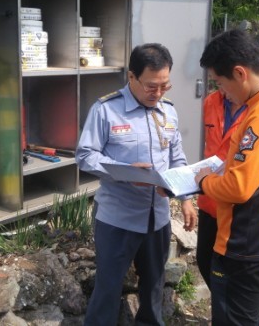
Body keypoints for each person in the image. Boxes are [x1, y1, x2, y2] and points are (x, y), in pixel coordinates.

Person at [76, 43, 198, 326]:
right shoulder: (106, 110)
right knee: (108, 288)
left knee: (154, 286)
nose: (158, 93)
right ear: (132, 77)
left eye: (165, 86)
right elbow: (85, 156)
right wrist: (125, 172)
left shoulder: (168, 111)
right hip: (118, 218)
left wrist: (186, 198)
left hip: (158, 218)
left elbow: (177, 158)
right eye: (151, 86)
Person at [194, 29, 259, 325]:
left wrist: (203, 181)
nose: (221, 92)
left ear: (240, 73)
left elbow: (239, 187)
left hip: (248, 247)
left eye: (220, 82)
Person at [197, 87, 247, 288]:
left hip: (236, 205)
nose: (222, 88)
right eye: (218, 82)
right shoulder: (211, 102)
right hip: (208, 200)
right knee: (204, 261)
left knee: (230, 271)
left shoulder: (256, 109)